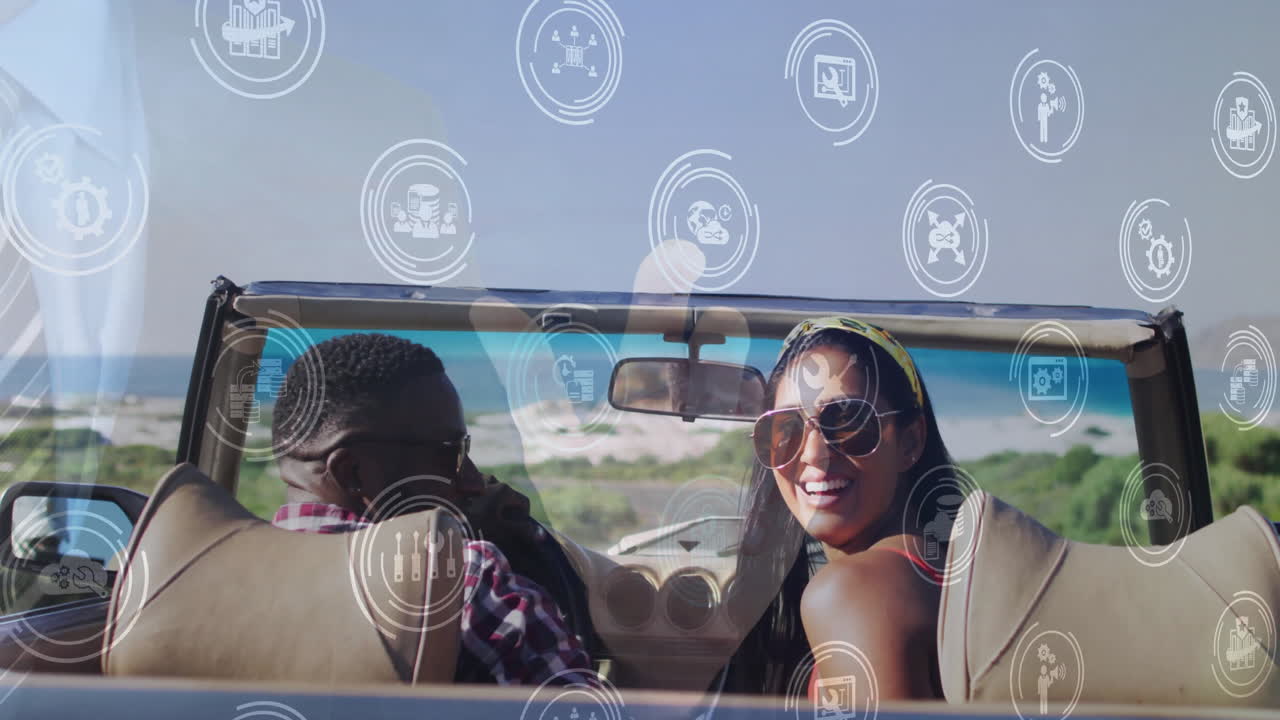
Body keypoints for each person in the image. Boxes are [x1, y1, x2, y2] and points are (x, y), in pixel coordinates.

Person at [269, 332, 594, 686]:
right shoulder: (458, 577)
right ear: (353, 472)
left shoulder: (218, 576)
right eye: (450, 453)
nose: (472, 482)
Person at [733, 316, 955, 700]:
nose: (814, 455)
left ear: (910, 442)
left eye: (849, 421)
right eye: (786, 430)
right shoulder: (936, 567)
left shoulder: (851, 591)